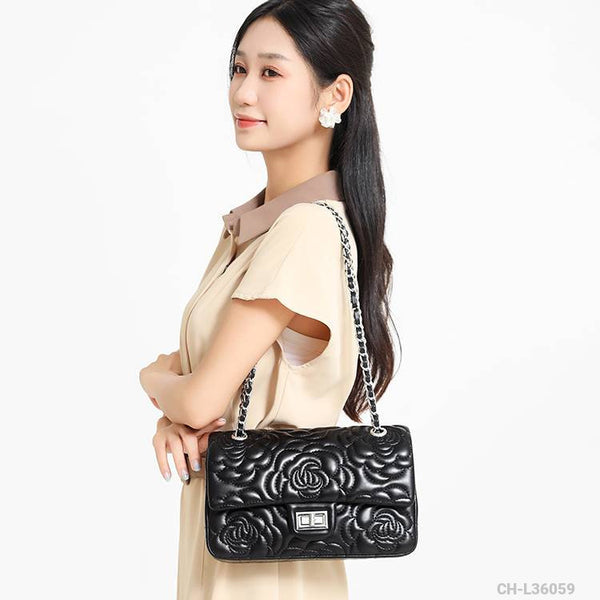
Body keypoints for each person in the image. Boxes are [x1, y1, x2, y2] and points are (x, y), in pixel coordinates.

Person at [138, 1, 400, 598]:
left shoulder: (304, 229)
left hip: (265, 563)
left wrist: (151, 378)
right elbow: (211, 401)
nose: (243, 92)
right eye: (238, 68)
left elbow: (202, 397)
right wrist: (171, 420)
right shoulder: (254, 228)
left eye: (270, 72)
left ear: (335, 94)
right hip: (234, 534)